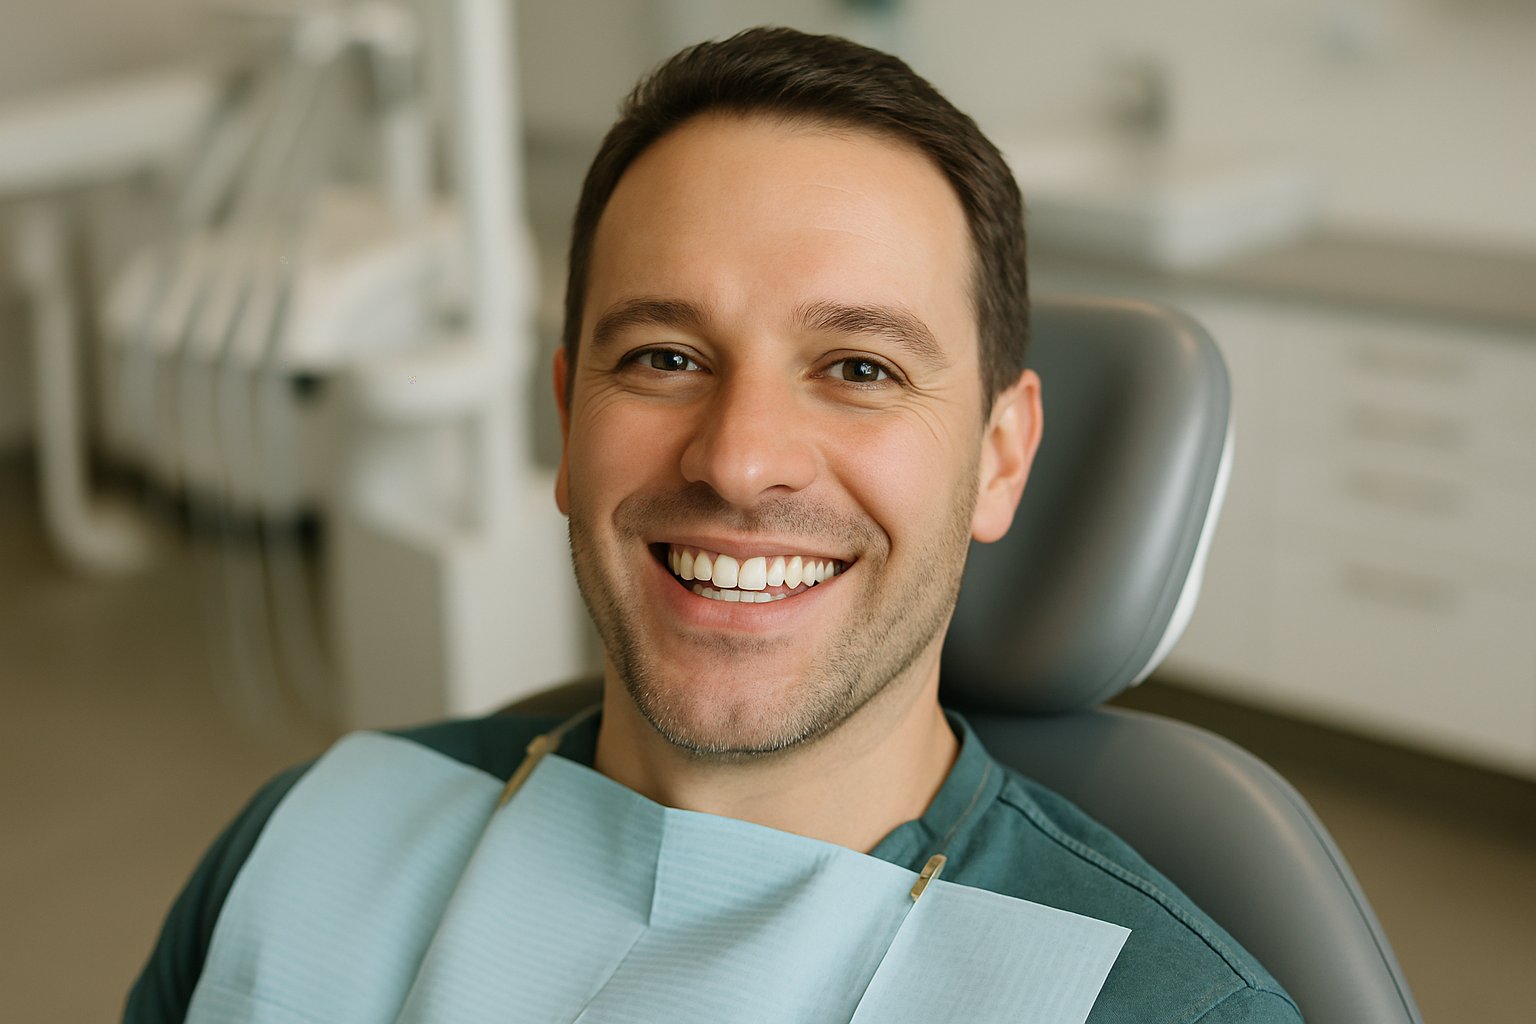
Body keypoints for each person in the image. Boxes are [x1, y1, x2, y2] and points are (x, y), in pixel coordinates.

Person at [127, 27, 1302, 1023]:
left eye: (858, 366)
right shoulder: (300, 841)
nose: (739, 460)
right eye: (665, 357)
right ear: (567, 419)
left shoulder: (1162, 1004)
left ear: (1000, 459)